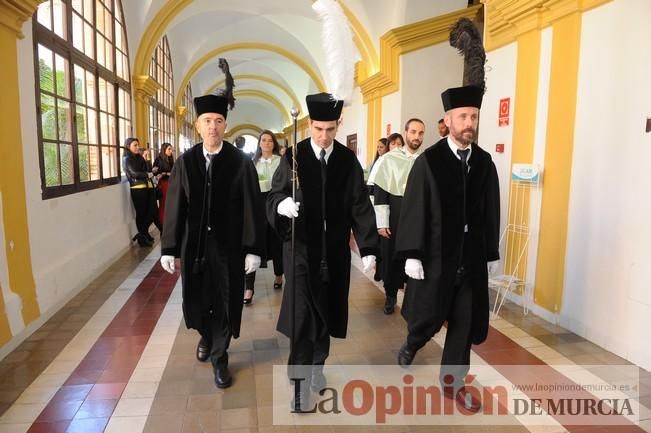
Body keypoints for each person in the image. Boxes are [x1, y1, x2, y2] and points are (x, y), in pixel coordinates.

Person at [267, 92, 379, 407]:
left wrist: (368, 247)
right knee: (303, 317)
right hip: (301, 250)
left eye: (330, 129)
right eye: (318, 129)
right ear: (310, 126)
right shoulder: (293, 156)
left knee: (325, 313)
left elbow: (359, 204)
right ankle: (300, 384)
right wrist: (281, 204)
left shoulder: (346, 160)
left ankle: (318, 366)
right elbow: (273, 195)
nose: (324, 136)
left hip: (334, 253)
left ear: (338, 125)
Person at [395, 85, 500, 413]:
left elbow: (491, 209)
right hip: (436, 257)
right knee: (428, 315)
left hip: (469, 259)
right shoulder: (430, 162)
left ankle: (454, 384)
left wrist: (490, 253)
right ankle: (413, 342)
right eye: (463, 116)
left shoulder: (483, 163)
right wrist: (412, 253)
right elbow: (415, 208)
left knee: (464, 324)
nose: (469, 122)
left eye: (474, 117)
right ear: (448, 120)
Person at [159, 93, 265, 389]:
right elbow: (175, 206)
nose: (213, 127)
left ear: (225, 126)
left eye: (218, 121)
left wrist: (253, 248)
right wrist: (169, 247)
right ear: (198, 125)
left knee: (226, 301)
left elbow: (251, 206)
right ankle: (206, 335)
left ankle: (220, 357)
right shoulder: (186, 162)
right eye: (207, 121)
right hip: (194, 247)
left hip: (228, 248)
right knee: (196, 301)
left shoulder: (239, 163)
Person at [367, 118, 424, 315]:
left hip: (417, 215)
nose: (417, 136)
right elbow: (381, 192)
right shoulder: (389, 159)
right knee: (392, 256)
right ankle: (390, 296)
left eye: (420, 133)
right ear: (406, 133)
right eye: (413, 132)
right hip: (395, 213)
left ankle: (412, 297)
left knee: (415, 255)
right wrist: (381, 223)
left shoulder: (425, 160)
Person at [244, 130, 285, 304]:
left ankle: (278, 275)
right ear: (259, 143)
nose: (267, 143)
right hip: (258, 205)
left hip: (276, 204)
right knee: (253, 243)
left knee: (277, 241)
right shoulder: (252, 163)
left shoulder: (281, 162)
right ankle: (249, 288)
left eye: (270, 141)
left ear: (273, 143)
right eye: (264, 140)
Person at [123, 138, 159, 247]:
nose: (138, 147)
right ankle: (143, 237)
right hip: (137, 189)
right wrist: (148, 174)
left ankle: (142, 234)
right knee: (141, 214)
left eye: (138, 145)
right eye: (135, 145)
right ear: (128, 146)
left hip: (147, 187)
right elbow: (134, 174)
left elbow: (148, 170)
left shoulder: (139, 157)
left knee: (152, 212)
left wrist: (147, 159)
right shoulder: (126, 158)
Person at [152, 142, 174, 226]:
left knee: (170, 203)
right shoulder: (158, 159)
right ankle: (162, 223)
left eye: (171, 149)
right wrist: (164, 173)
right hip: (163, 184)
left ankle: (169, 222)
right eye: (169, 149)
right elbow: (154, 172)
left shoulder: (170, 159)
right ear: (164, 149)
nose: (171, 151)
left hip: (170, 183)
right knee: (164, 203)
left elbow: (173, 171)